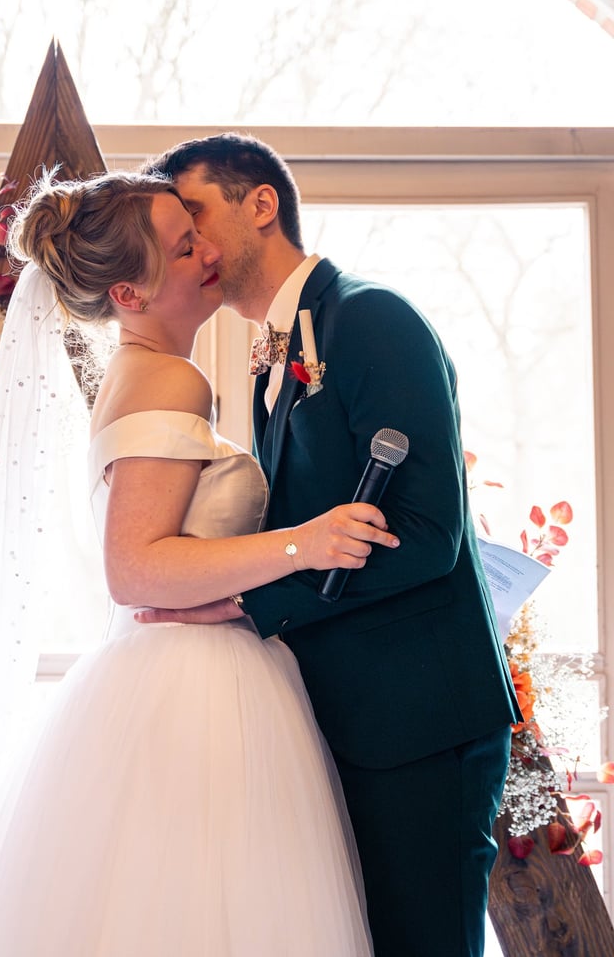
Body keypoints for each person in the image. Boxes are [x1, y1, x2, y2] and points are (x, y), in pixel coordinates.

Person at [0, 170, 400, 956]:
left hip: (179, 666)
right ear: (129, 294)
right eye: (184, 248)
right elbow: (134, 568)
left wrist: (245, 592)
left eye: (196, 235)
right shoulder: (169, 380)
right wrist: (304, 544)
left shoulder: (141, 376)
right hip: (196, 690)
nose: (210, 253)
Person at [141, 133, 522, 957]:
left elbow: (426, 535)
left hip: (417, 721)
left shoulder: (370, 317)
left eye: (195, 214)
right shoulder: (273, 352)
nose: (189, 243)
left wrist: (247, 601)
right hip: (344, 714)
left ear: (261, 204)